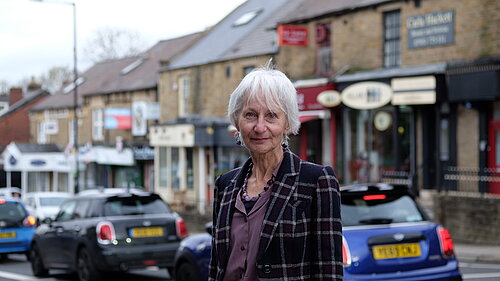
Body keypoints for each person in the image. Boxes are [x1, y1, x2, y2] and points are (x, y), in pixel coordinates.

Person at [209, 64, 343, 281]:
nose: (260, 127)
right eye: (250, 115)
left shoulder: (316, 181)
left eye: (271, 116)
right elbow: (217, 266)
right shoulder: (225, 184)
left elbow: (329, 271)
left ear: (287, 123)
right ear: (237, 121)